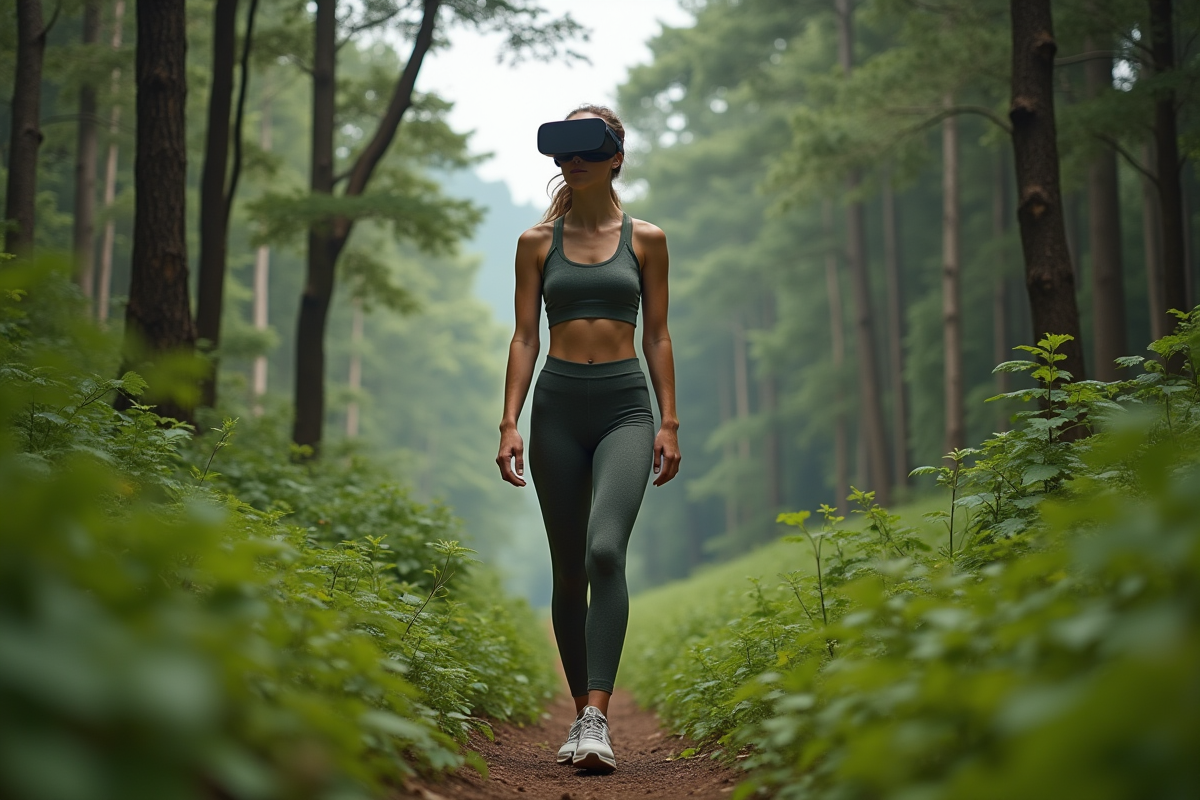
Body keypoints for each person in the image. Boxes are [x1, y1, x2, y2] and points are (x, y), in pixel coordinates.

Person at [495, 104, 680, 772]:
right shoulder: (536, 244)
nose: (571, 159)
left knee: (606, 551)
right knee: (570, 568)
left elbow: (657, 334)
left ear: (615, 157)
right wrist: (510, 421)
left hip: (626, 408)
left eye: (585, 147)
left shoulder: (649, 240)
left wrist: (670, 421)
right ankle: (580, 716)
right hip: (557, 408)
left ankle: (597, 717)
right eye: (562, 149)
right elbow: (524, 336)